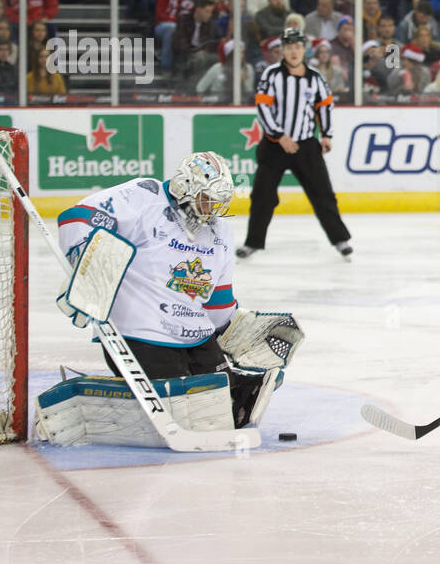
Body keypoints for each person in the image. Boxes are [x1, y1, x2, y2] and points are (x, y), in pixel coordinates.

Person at [52, 151, 298, 435]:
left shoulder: (220, 232)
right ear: (185, 187)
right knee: (182, 408)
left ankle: (237, 385)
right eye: (208, 200)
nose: (213, 210)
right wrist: (88, 265)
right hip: (141, 334)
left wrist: (234, 329)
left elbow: (218, 300)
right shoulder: (145, 196)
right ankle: (103, 402)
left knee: (225, 406)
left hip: (196, 336)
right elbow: (77, 217)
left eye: (219, 203)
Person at [238, 27, 353, 261]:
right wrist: (279, 136)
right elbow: (262, 107)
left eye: (297, 47)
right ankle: (253, 242)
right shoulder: (271, 75)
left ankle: (340, 239)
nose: (293, 52)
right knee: (262, 195)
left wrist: (327, 135)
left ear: (304, 50)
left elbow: (325, 106)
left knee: (323, 194)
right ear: (282, 50)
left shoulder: (316, 77)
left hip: (306, 146)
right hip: (274, 146)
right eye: (289, 47)